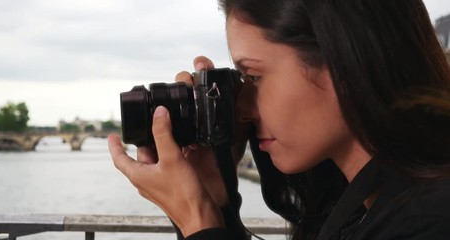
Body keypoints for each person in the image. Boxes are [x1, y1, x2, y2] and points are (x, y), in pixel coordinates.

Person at [108, 0, 450, 239]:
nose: (241, 109)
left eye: (253, 77)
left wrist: (197, 218)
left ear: (342, 62)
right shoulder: (370, 203)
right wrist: (216, 205)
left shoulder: (428, 222)